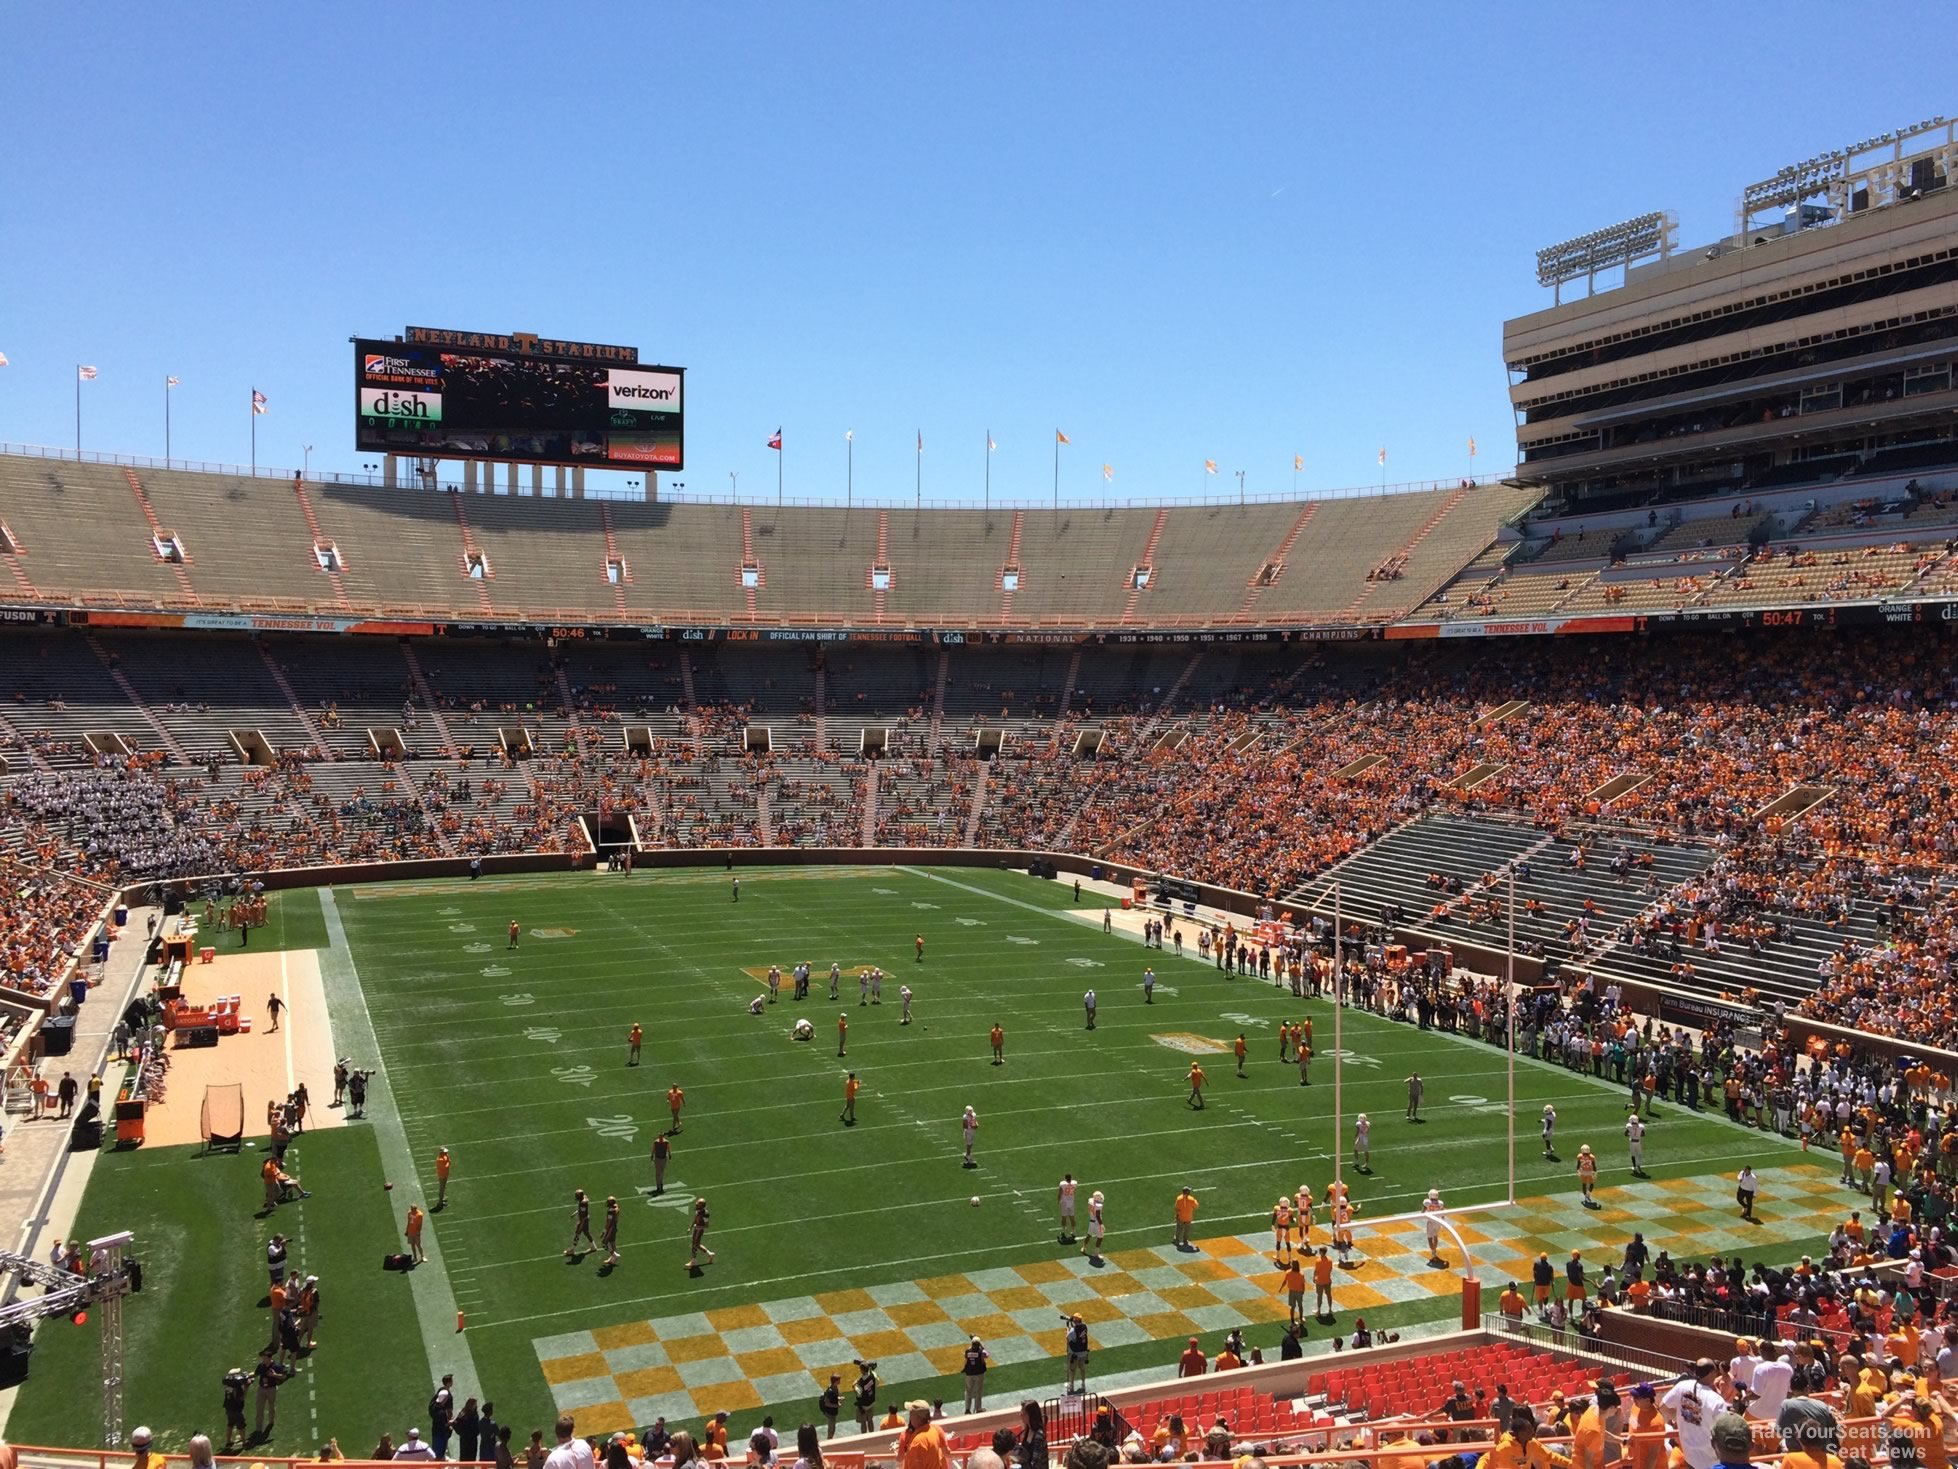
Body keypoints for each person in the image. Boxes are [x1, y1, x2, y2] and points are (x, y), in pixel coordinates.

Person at [1662, 1359, 1731, 1469]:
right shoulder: (1716, 1400)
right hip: (1712, 1461)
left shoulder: (1682, 1386)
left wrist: (1680, 1417)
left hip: (1689, 1456)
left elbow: (1663, 1407)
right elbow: (1725, 1430)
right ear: (1712, 1373)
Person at [899, 1402, 948, 1469]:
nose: (910, 1416)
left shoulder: (918, 1442)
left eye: (911, 1413)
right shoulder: (933, 1430)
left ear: (917, 1417)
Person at [222, 1365, 252, 1451]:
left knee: (230, 1424)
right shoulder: (237, 1386)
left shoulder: (228, 1383)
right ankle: (244, 1442)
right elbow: (241, 1398)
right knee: (241, 1425)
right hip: (236, 1409)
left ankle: (228, 1442)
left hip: (228, 1407)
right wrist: (247, 1387)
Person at [430, 1374, 456, 1458]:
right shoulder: (441, 1412)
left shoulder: (435, 1405)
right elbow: (449, 1412)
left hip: (435, 1430)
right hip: (441, 1432)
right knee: (440, 1450)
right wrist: (450, 1423)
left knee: (436, 1449)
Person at [962, 1337, 990, 1412]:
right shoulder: (981, 1352)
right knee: (978, 1391)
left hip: (969, 1374)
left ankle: (967, 1409)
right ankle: (978, 1408)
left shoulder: (967, 1351)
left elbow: (965, 1355)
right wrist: (982, 1346)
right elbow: (987, 1355)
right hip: (979, 1374)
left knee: (968, 1391)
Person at [687, 1197, 715, 1270]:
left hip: (699, 1230)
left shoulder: (705, 1214)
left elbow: (706, 1225)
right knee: (696, 1244)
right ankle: (710, 1254)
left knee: (695, 1244)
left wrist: (697, 1226)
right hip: (696, 1229)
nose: (696, 1204)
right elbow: (695, 1218)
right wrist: (691, 1227)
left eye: (698, 1203)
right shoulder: (697, 1210)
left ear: (702, 1205)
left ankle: (693, 1261)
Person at [1064, 1313, 1090, 1393]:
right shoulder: (1084, 1327)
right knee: (1082, 1368)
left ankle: (1071, 1385)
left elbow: (1068, 1337)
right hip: (1083, 1352)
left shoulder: (1073, 1330)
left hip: (1075, 1353)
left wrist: (1067, 1330)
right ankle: (1083, 1383)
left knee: (1072, 1369)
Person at [1422, 1188, 1446, 1266]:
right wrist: (1443, 1219)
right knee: (1435, 1236)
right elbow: (1442, 1212)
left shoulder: (1427, 1202)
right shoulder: (1440, 1203)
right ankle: (1434, 1251)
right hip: (1438, 1221)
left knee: (1429, 1238)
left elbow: (1423, 1211)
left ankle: (1433, 1253)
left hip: (1431, 1222)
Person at [1313, 1246, 1335, 1320]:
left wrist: (1314, 1278)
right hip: (1327, 1280)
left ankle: (1318, 1311)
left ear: (1321, 1252)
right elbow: (1330, 1269)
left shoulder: (1318, 1261)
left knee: (1319, 1296)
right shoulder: (1330, 1260)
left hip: (1320, 1281)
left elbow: (1316, 1271)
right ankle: (1330, 1309)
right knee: (1329, 1295)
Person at [1083, 1190, 1105, 1260]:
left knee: (1089, 1235)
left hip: (1091, 1221)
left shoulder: (1091, 1201)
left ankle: (1084, 1248)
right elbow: (1098, 1216)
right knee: (1100, 1238)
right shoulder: (1099, 1205)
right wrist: (1101, 1224)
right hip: (1096, 1223)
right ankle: (1096, 1253)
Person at [600, 1195, 621, 1266]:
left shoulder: (611, 1211)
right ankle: (613, 1259)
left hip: (611, 1228)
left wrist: (604, 1231)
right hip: (614, 1227)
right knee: (612, 1242)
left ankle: (614, 1255)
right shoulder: (616, 1207)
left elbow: (609, 1222)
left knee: (604, 1243)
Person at [1057, 1173, 1077, 1243]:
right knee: (1072, 1217)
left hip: (1064, 1202)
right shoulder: (1075, 1183)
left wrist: (1058, 1201)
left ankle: (1063, 1232)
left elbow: (1059, 1193)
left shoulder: (1062, 1184)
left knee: (1064, 1218)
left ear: (1065, 1178)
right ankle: (1074, 1232)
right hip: (1071, 1202)